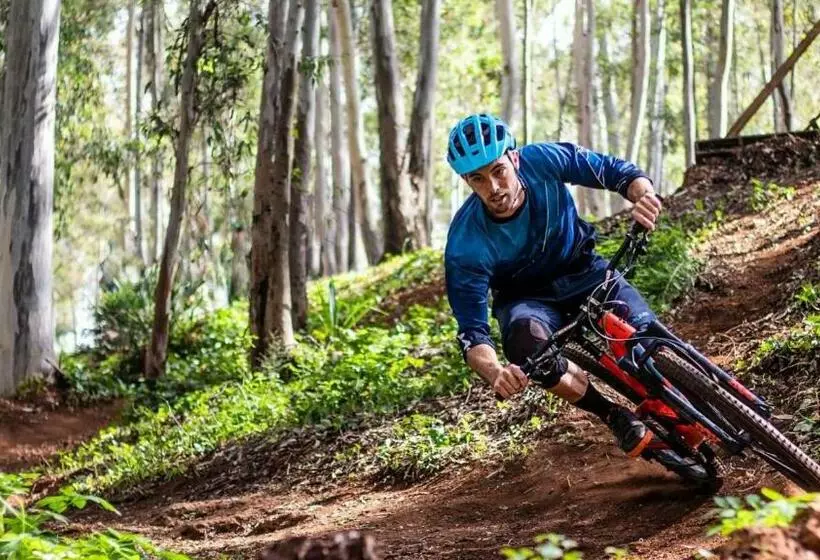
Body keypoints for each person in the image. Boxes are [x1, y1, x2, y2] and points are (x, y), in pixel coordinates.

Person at [444, 113, 703, 476]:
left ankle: (680, 395)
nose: (494, 187)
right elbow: (472, 333)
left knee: (644, 335)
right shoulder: (464, 244)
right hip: (527, 302)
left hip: (584, 271)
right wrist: (496, 372)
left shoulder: (544, 161)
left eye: (498, 170)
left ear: (514, 158)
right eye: (478, 179)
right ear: (466, 181)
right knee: (523, 343)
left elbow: (616, 172)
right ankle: (612, 414)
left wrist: (643, 195)